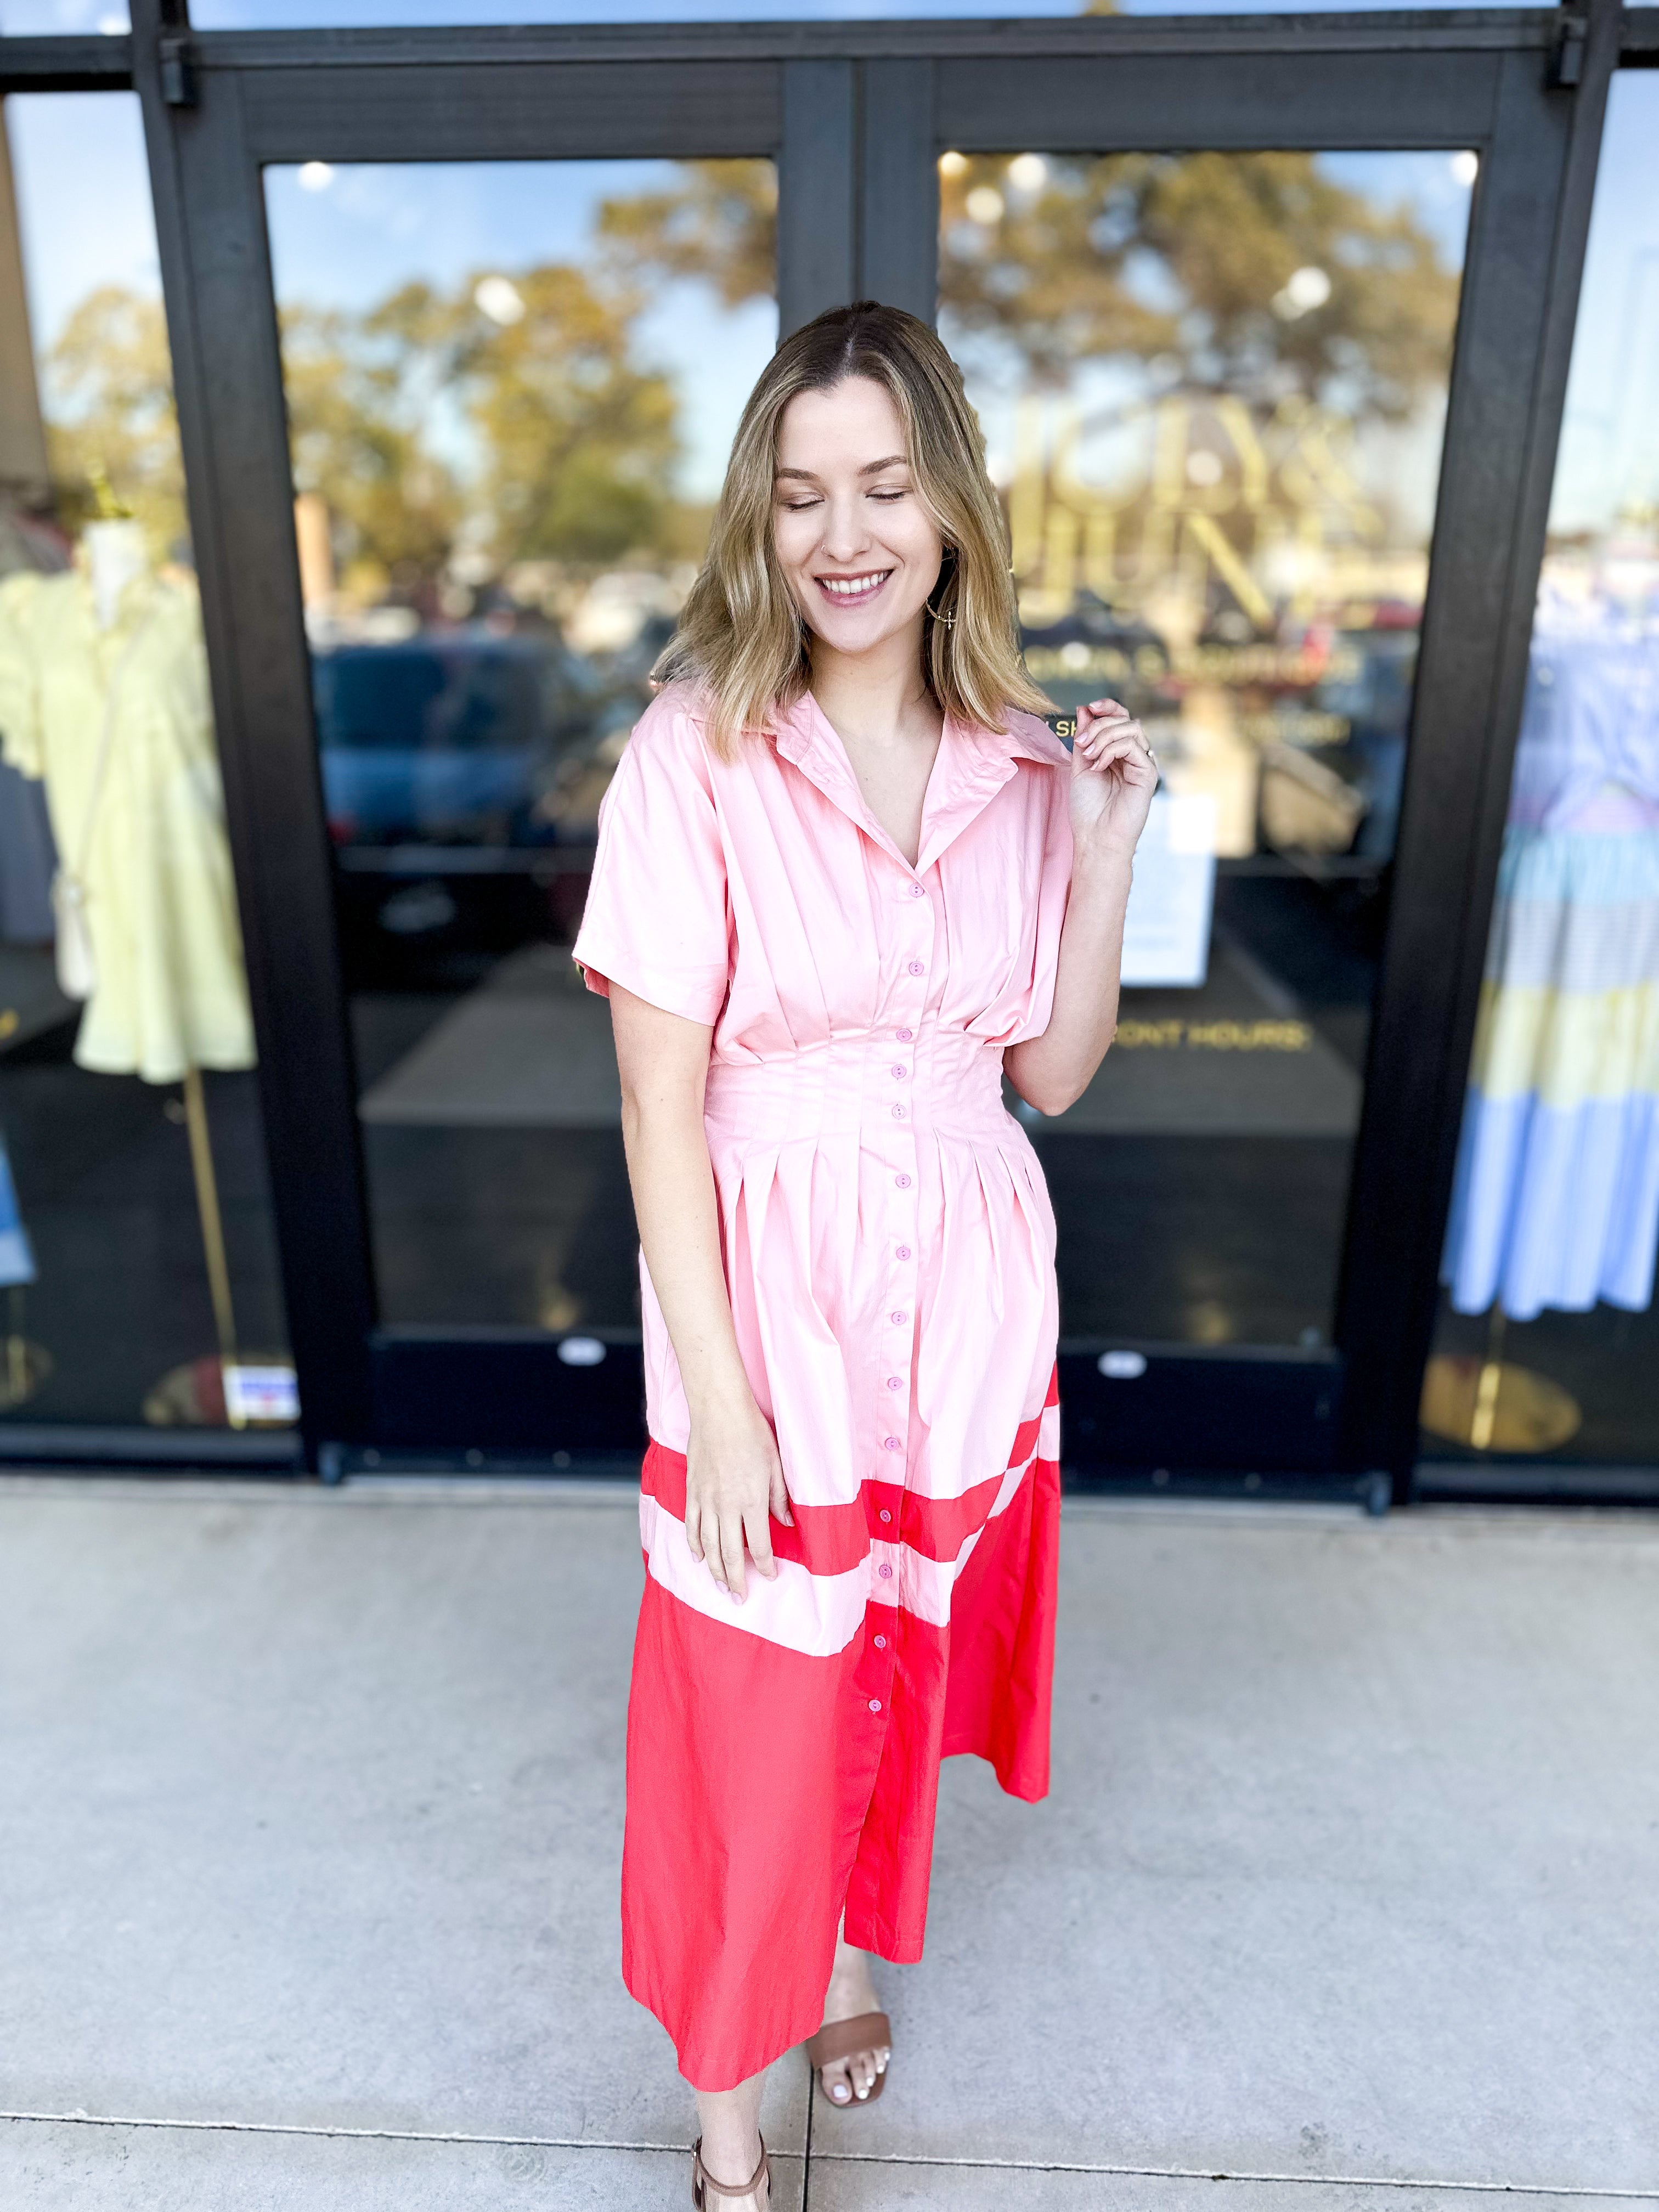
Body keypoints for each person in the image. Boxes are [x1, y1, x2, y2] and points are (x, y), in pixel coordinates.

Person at [571, 301, 1156, 2210]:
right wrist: (721, 1403)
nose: (847, 535)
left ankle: (836, 1959)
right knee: (748, 1706)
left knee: (882, 1663)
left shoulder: (1012, 756)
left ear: (952, 509)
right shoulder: (695, 752)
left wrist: (1109, 850)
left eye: (887, 486)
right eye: (805, 492)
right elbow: (660, 1108)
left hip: (963, 1306)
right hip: (777, 1316)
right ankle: (731, 2140)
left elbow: (1049, 1072)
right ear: (761, 517)